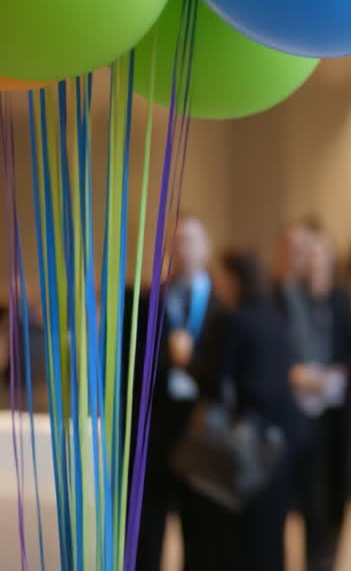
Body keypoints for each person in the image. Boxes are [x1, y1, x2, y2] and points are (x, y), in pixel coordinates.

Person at [182, 252, 303, 570]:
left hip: (242, 446)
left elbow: (214, 382)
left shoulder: (232, 320)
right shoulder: (277, 317)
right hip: (279, 442)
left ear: (233, 280)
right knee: (269, 537)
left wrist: (185, 360)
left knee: (229, 539)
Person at [135, 216, 217, 571]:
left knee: (201, 529)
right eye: (178, 240)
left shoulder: (221, 303)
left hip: (201, 425)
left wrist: (193, 363)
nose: (185, 249)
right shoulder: (150, 299)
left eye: (192, 240)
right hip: (156, 425)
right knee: (150, 527)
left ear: (206, 249)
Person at [285, 225, 351, 571]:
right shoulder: (289, 298)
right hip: (302, 405)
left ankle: (330, 551)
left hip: (336, 406)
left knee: (338, 487)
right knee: (311, 492)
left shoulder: (343, 299)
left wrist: (339, 374)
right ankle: (315, 558)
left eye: (319, 256)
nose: (314, 263)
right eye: (307, 256)